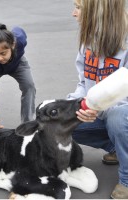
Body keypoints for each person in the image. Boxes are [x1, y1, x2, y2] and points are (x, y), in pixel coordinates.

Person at [68, 0, 128, 198]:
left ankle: (127, 179)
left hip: (121, 112)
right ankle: (118, 149)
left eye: (79, 7)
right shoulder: (88, 40)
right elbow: (84, 83)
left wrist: (98, 106)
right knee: (58, 117)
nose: (73, 13)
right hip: (101, 109)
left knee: (118, 117)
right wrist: (75, 105)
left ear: (97, 11)